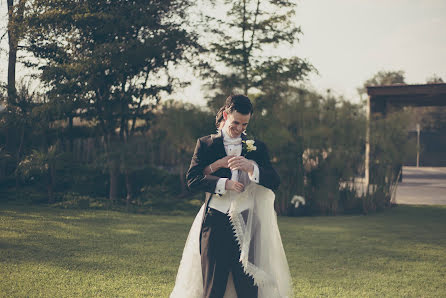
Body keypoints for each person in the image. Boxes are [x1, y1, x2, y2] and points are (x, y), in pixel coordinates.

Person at [171, 95, 292, 298]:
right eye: (236, 122)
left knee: (248, 287)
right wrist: (223, 184)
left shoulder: (257, 147)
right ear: (226, 115)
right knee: (213, 287)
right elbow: (192, 180)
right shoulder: (206, 144)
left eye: (245, 124)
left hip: (248, 221)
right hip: (215, 220)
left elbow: (275, 181)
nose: (240, 129)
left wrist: (252, 168)